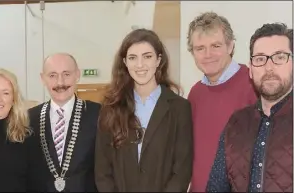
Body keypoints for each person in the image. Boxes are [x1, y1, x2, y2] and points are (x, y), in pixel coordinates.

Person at [95, 29, 193, 192]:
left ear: (158, 60)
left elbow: (181, 170)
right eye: (133, 58)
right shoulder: (111, 108)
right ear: (125, 62)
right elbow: (102, 171)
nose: (140, 65)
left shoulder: (179, 108)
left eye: (147, 56)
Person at [206, 23, 293, 192]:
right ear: (251, 70)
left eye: (279, 57)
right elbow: (216, 187)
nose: (269, 67)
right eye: (260, 59)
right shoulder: (236, 123)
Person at [186, 12, 258, 192]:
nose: (207, 54)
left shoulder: (254, 85)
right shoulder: (195, 94)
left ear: (230, 46)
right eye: (200, 48)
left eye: (215, 46)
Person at [28, 53, 101, 192]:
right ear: (42, 79)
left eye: (66, 74)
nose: (60, 82)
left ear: (77, 75)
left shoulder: (98, 114)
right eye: (52, 75)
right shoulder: (29, 119)